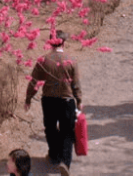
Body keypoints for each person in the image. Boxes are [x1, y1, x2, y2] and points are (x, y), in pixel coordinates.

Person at [25, 30, 81, 176]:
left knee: (50, 128)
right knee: (67, 131)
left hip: (49, 100)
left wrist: (28, 99)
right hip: (67, 100)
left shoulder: (43, 60)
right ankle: (65, 162)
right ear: (64, 43)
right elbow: (76, 84)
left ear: (50, 43)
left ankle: (54, 155)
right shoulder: (71, 60)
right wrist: (79, 100)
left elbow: (34, 83)